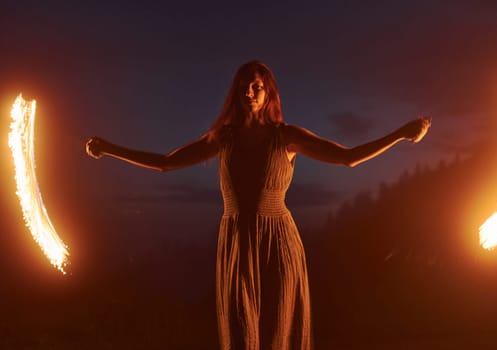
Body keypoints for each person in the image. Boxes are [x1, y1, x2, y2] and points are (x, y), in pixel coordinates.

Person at [85, 60, 431, 350]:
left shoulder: (287, 136)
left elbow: (348, 158)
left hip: (278, 243)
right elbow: (165, 162)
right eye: (243, 87)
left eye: (256, 87)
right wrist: (110, 148)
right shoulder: (225, 137)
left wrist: (399, 133)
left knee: (276, 330)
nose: (249, 93)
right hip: (237, 243)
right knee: (241, 333)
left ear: (268, 94)